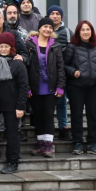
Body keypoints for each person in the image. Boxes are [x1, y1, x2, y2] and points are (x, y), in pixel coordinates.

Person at [0, 32, 29, 174]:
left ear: (12, 48)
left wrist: (21, 106)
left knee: (12, 134)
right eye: (1, 46)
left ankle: (13, 161)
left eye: (7, 46)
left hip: (12, 104)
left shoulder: (18, 64)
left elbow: (23, 86)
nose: (4, 49)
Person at [63, 20, 96, 155]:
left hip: (94, 87)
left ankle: (92, 143)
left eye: (88, 30)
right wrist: (73, 72)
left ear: (91, 32)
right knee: (76, 115)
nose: (86, 32)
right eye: (83, 30)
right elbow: (64, 65)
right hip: (77, 87)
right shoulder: (71, 47)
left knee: (92, 116)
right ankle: (77, 143)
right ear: (78, 32)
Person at [25, 17, 66, 159]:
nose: (48, 29)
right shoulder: (29, 44)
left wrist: (60, 86)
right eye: (45, 27)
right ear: (40, 28)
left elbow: (61, 67)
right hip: (35, 87)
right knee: (37, 116)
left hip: (50, 87)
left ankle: (48, 144)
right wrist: (27, 88)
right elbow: (26, 67)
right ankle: (40, 142)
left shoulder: (55, 45)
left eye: (50, 27)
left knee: (48, 115)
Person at [47, 5, 72, 140]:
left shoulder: (67, 32)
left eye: (57, 13)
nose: (55, 16)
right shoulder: (45, 30)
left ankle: (63, 127)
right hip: (48, 73)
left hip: (63, 72)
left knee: (62, 101)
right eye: (52, 13)